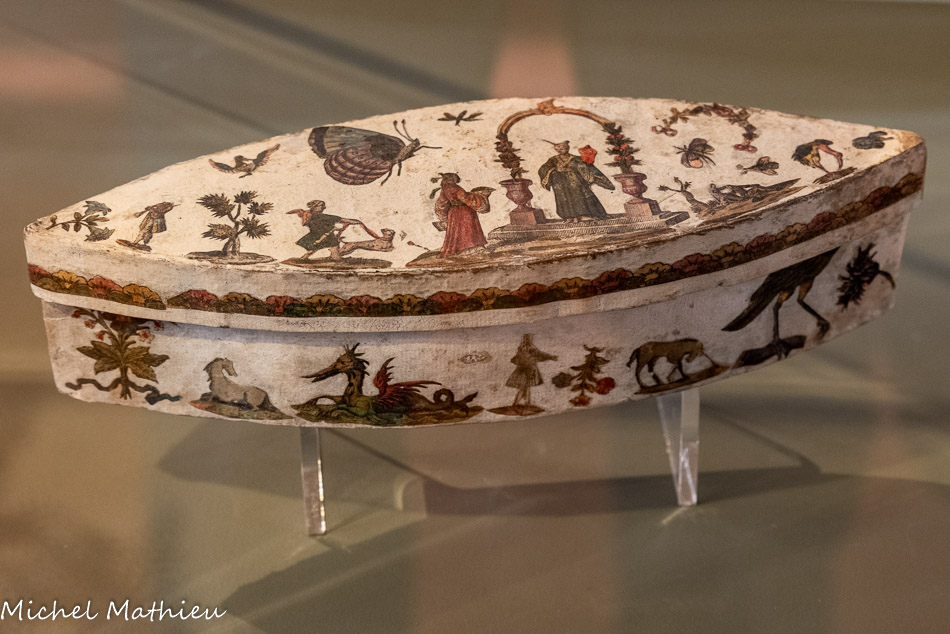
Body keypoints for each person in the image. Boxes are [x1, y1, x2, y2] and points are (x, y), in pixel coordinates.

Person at [538, 140, 614, 222]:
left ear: (567, 148)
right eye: (557, 149)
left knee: (581, 196)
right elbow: (543, 168)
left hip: (576, 180)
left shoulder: (576, 159)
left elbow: (588, 167)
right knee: (563, 198)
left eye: (562, 148)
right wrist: (553, 171)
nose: (559, 150)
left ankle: (585, 215)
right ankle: (569, 216)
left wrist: (591, 176)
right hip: (560, 182)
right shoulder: (553, 159)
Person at [432, 173, 493, 258]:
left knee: (457, 230)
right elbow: (466, 198)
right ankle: (468, 248)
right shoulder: (456, 188)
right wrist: (480, 197)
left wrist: (443, 215)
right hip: (464, 211)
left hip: (453, 212)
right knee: (468, 228)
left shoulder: (445, 188)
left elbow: (442, 202)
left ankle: (457, 249)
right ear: (452, 179)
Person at [286, 200, 359, 261]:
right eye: (322, 205)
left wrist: (355, 222)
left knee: (319, 249)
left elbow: (342, 220)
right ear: (315, 207)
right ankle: (303, 259)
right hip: (320, 237)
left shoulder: (309, 215)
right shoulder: (321, 217)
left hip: (322, 237)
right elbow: (342, 220)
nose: (324, 207)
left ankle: (303, 259)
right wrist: (356, 222)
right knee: (329, 249)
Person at [506, 334, 557, 408]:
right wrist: (550, 357)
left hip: (525, 370)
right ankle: (517, 403)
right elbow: (539, 355)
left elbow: (515, 359)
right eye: (528, 338)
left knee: (526, 387)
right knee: (524, 387)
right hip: (527, 370)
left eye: (528, 338)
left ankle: (526, 403)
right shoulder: (529, 349)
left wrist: (549, 357)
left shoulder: (523, 348)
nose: (528, 340)